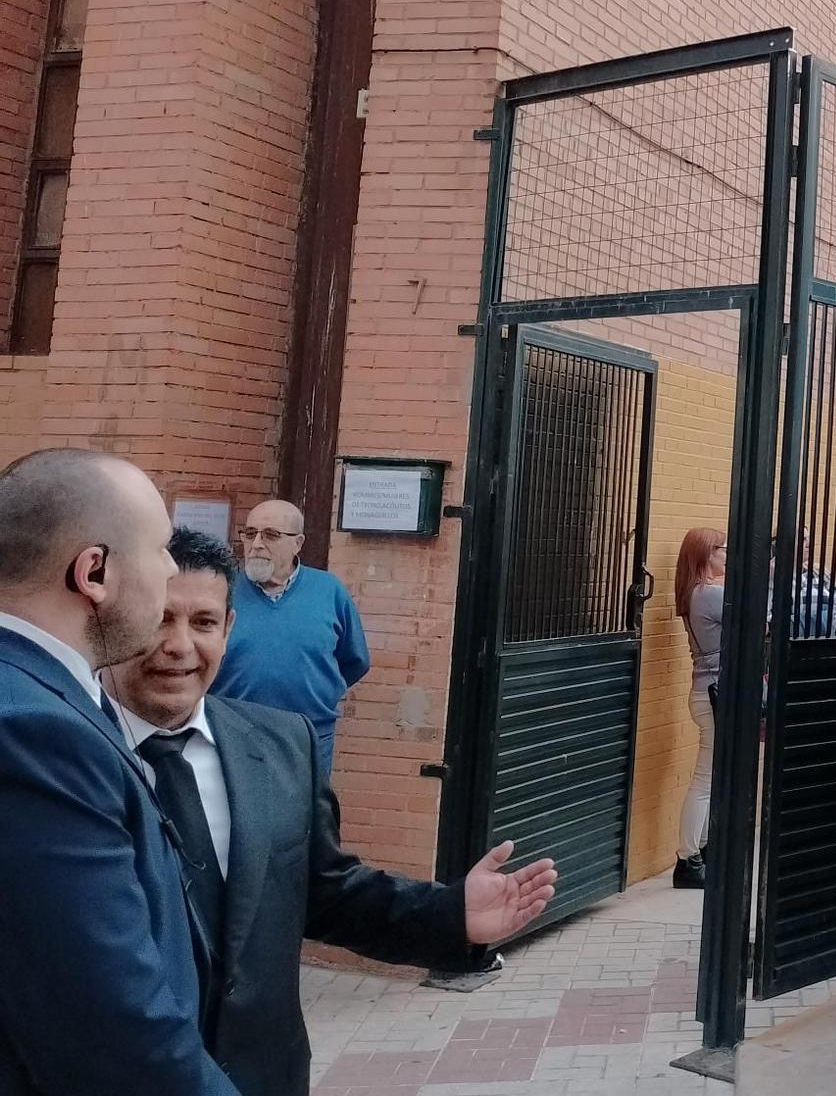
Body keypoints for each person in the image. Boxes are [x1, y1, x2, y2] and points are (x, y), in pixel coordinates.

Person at [101, 528, 557, 1096]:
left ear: (229, 630)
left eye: (203, 623)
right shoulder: (60, 752)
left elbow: (326, 890)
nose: (179, 645)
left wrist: (449, 915)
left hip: (261, 1075)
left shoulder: (280, 745)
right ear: (114, 618)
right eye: (159, 618)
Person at [0, 448, 235, 1094]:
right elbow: (119, 1039)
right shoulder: (34, 734)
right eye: (160, 549)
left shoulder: (48, 697)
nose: (170, 569)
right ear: (93, 572)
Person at [210, 499, 369, 774]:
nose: (257, 543)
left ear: (297, 543)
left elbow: (354, 660)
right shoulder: (223, 591)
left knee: (304, 815)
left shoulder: (328, 591)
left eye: (270, 535)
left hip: (308, 738)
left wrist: (317, 690)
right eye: (250, 533)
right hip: (231, 736)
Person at [673, 529, 726, 889]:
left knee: (712, 779)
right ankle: (687, 858)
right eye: (723, 549)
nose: (728, 555)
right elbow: (760, 615)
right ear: (707, 554)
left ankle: (701, 850)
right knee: (705, 781)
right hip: (713, 693)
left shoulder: (699, 592)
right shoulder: (708, 594)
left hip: (706, 691)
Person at [788, 528, 836, 640]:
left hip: (823, 644)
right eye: (803, 539)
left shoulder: (820, 572)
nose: (809, 544)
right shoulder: (772, 576)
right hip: (788, 646)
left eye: (809, 538)